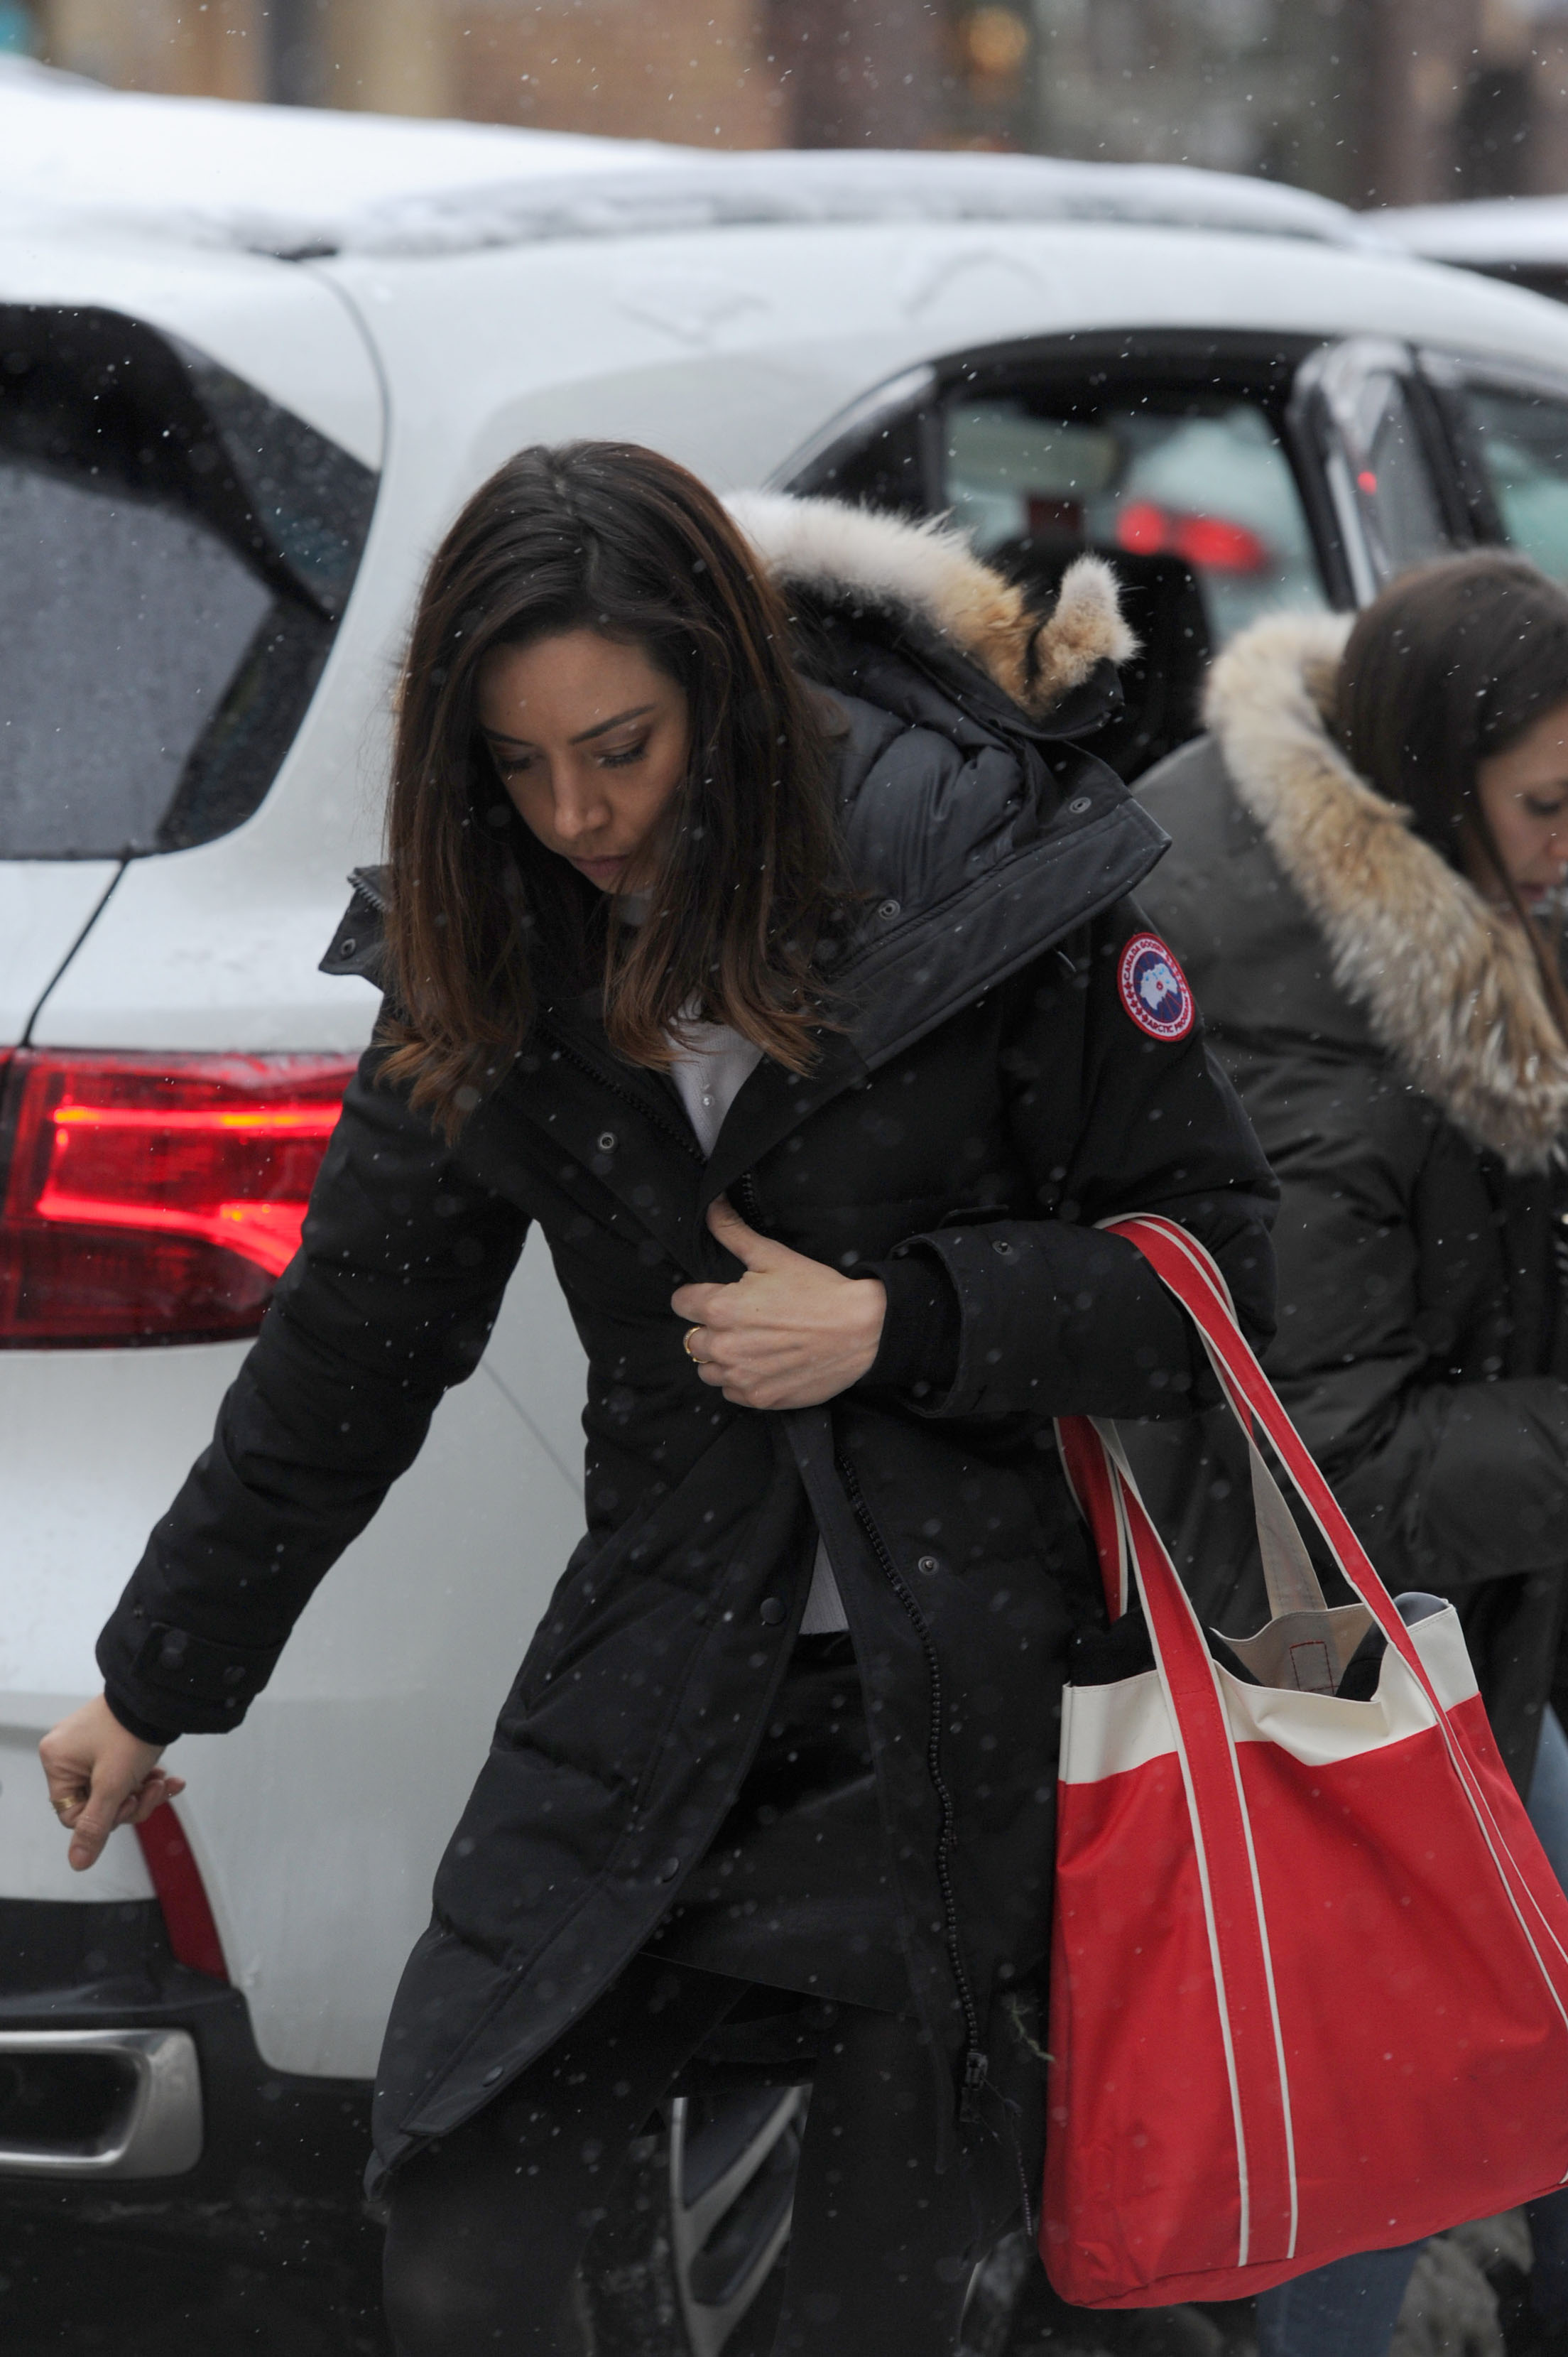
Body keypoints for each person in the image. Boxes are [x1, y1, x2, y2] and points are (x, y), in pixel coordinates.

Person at [37, 445, 1277, 2356]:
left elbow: (1218, 1273)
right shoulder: (494, 933)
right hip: (664, 1663)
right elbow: (354, 1348)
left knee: (887, 2299)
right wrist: (157, 1672)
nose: (578, 809)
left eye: (618, 745)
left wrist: (901, 1318)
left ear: (723, 684)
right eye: (521, 767)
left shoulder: (983, 861)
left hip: (960, 1697)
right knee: (466, 2216)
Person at [1136, 550, 1568, 2357]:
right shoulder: (1326, 1033)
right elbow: (1332, 1463)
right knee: (1371, 2143)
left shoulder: (1463, 922)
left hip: (1443, 1649)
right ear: (1430, 779)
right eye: (1549, 803)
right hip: (1317, 1676)